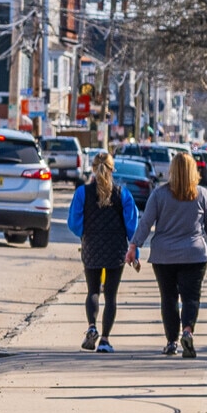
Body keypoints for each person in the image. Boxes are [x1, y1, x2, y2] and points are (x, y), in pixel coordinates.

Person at [129, 142, 207, 357]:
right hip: (194, 254)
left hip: (164, 255)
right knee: (191, 297)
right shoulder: (201, 195)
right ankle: (187, 331)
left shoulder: (159, 195)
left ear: (172, 171)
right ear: (193, 171)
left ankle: (171, 342)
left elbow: (145, 223)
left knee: (168, 298)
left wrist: (134, 246)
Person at [68, 150, 140, 353]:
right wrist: (135, 253)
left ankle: (91, 327)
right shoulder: (122, 193)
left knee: (92, 291)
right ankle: (105, 340)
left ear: (93, 168)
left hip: (91, 247)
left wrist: (85, 233)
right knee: (111, 295)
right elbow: (132, 226)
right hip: (116, 249)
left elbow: (73, 222)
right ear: (112, 169)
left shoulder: (83, 192)